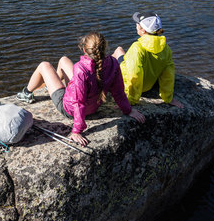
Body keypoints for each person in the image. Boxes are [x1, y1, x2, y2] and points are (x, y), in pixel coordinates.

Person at [16, 31, 145, 146]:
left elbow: (79, 103)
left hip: (69, 108)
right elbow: (118, 92)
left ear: (84, 49)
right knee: (63, 60)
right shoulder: (112, 62)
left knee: (44, 66)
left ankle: (26, 93)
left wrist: (77, 130)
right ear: (104, 48)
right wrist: (128, 110)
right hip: (95, 104)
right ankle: (53, 86)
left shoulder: (80, 69)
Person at [112, 11, 184, 108]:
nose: (136, 25)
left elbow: (134, 75)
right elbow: (168, 75)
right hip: (149, 85)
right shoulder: (166, 48)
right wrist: (168, 98)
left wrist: (130, 99)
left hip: (137, 88)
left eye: (137, 24)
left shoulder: (137, 47)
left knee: (118, 50)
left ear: (143, 31)